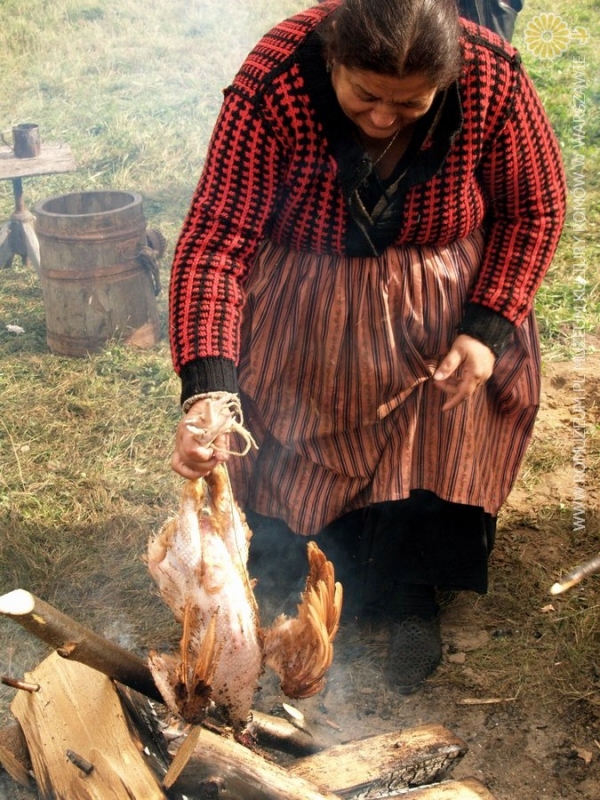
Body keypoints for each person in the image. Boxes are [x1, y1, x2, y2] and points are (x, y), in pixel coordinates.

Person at [169, 0, 566, 694]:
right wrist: (209, 393)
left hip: (441, 296)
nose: (384, 119)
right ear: (334, 59)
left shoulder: (492, 77)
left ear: (446, 78)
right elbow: (215, 240)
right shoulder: (275, 80)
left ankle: (412, 594)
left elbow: (535, 208)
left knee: (440, 427)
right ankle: (294, 568)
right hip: (307, 292)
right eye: (366, 95)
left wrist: (486, 327)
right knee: (290, 442)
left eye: (411, 104)